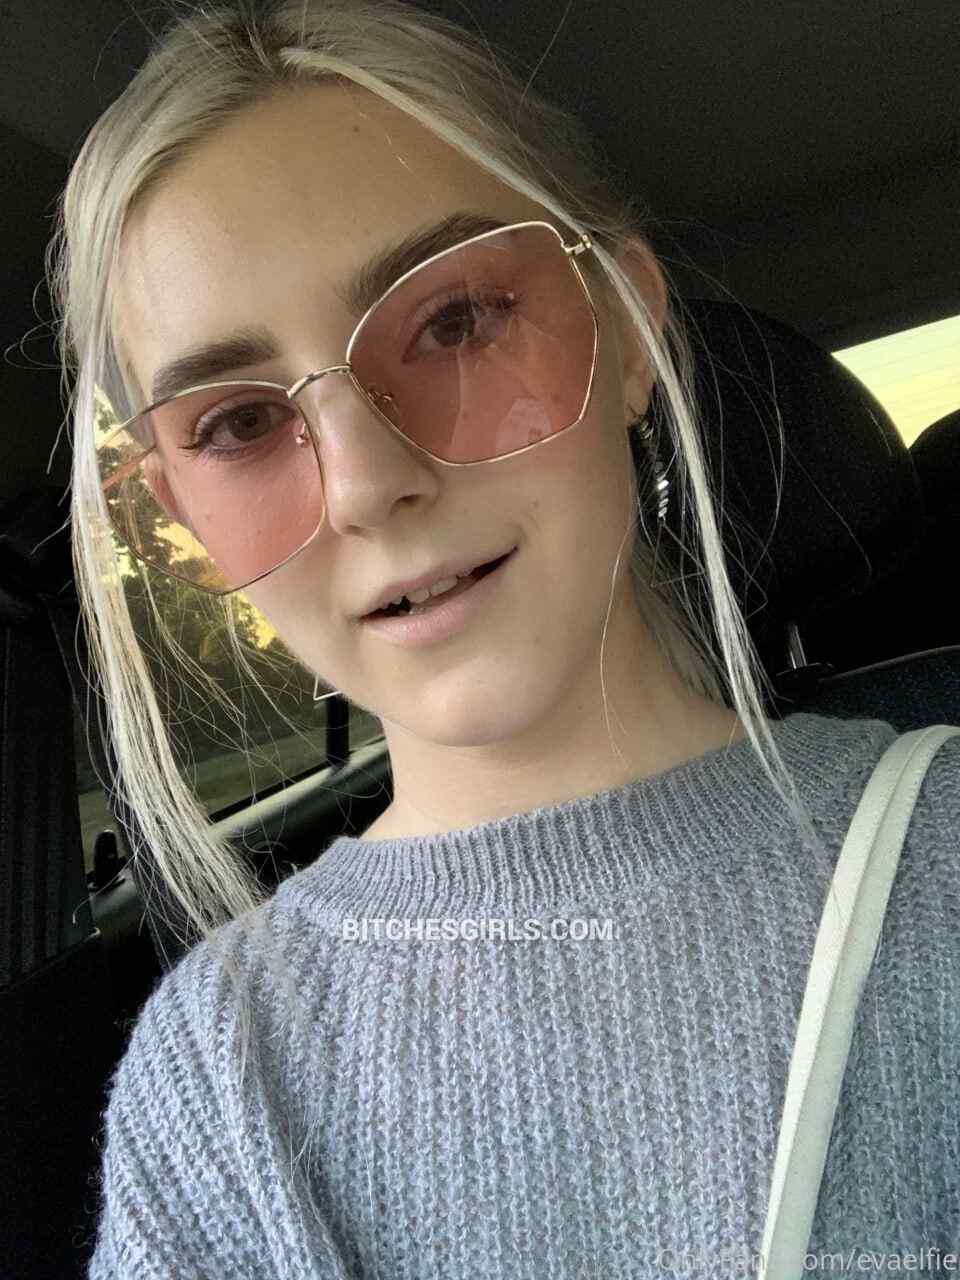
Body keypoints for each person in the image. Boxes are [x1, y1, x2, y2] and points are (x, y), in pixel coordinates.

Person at [48, 2, 958, 1276]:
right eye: (240, 424)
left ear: (626, 331)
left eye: (457, 321)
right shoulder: (213, 1074)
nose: (367, 483)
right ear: (181, 505)